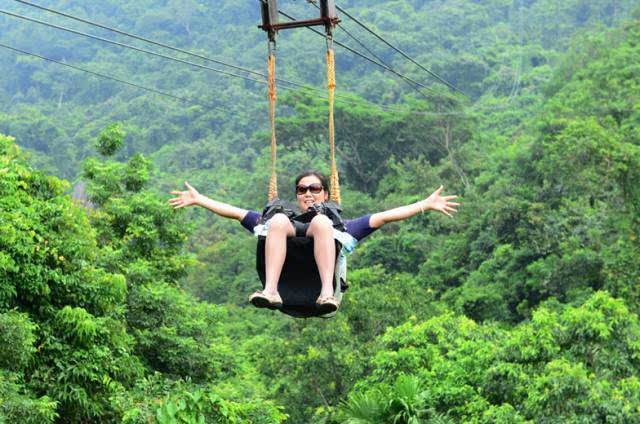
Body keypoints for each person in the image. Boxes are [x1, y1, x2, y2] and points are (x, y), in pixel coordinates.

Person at [169, 171, 459, 313]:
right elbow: (235, 212)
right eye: (302, 189)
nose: (308, 193)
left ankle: (326, 294)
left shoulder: (341, 227)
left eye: (315, 188)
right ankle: (269, 290)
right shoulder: (279, 223)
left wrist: (426, 204)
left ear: (324, 193)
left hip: (318, 294)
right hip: (285, 290)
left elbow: (384, 217)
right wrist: (199, 200)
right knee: (278, 221)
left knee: (321, 223)